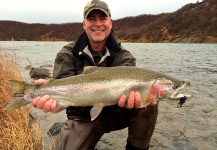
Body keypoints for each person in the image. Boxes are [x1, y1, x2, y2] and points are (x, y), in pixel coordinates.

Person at [32, 0, 158, 149]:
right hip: (82, 117)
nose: (98, 24)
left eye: (103, 18)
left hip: (115, 113)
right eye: (92, 19)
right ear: (84, 24)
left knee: (149, 98)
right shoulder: (66, 54)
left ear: (110, 23)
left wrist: (132, 101)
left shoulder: (124, 57)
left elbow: (132, 94)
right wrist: (55, 101)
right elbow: (63, 88)